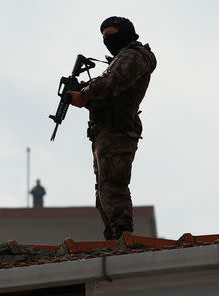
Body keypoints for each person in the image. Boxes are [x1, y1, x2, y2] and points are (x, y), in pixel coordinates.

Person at [67, 16, 156, 240]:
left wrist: (85, 94)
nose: (107, 40)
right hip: (106, 131)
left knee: (113, 185)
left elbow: (112, 82)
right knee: (104, 189)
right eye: (104, 37)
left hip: (118, 130)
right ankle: (115, 236)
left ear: (126, 33)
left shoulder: (133, 56)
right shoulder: (121, 59)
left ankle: (122, 235)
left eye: (112, 34)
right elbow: (109, 88)